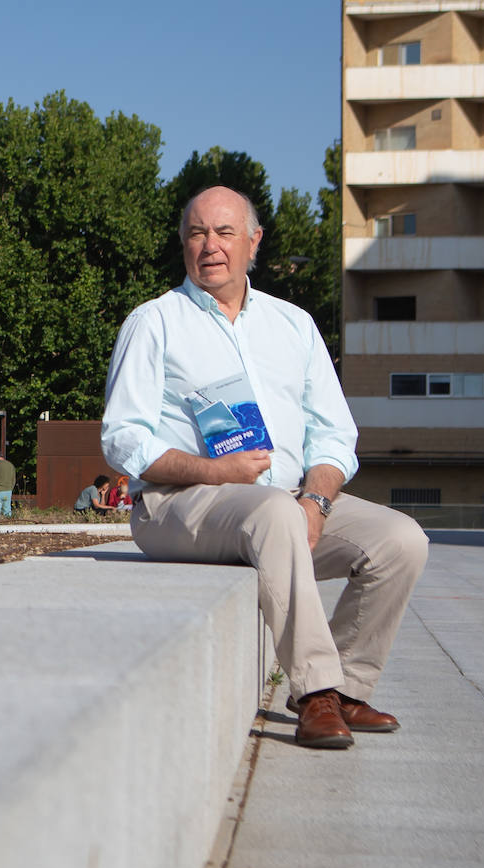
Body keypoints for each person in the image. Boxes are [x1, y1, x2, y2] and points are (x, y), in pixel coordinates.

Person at [101, 186, 428, 750]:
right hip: (178, 505)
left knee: (401, 539)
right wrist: (215, 471)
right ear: (183, 244)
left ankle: (347, 688)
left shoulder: (294, 325)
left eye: (224, 232)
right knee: (276, 512)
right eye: (197, 233)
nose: (210, 246)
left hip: (287, 504)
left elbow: (334, 435)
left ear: (253, 242)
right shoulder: (153, 323)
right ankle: (314, 692)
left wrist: (318, 500)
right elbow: (122, 439)